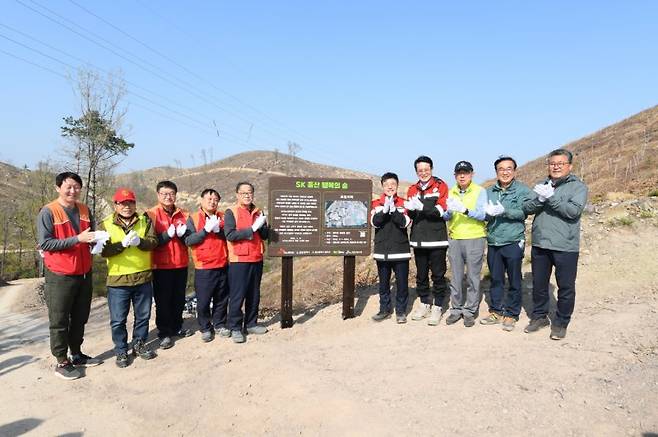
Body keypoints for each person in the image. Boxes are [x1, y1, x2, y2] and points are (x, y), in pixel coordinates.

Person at [37, 171, 102, 380]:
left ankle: (76, 353)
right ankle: (61, 361)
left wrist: (95, 241)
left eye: (76, 187)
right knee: (59, 319)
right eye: (68, 187)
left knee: (80, 317)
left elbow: (87, 235)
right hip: (60, 275)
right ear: (58, 188)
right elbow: (45, 243)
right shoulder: (48, 212)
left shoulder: (84, 209)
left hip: (84, 272)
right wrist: (78, 239)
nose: (73, 190)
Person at [523, 149, 588, 340]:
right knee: (539, 284)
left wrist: (551, 197)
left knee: (566, 287)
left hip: (565, 246)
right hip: (541, 243)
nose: (556, 166)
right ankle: (539, 317)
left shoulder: (578, 187)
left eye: (560, 163)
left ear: (569, 166)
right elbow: (526, 208)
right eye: (552, 163)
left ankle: (561, 322)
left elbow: (572, 212)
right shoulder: (542, 184)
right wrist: (540, 198)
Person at [100, 188, 158, 368]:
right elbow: (103, 251)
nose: (127, 207)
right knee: (118, 319)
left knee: (143, 316)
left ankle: (139, 344)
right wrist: (121, 245)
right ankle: (121, 350)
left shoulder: (144, 221)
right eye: (122, 203)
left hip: (143, 277)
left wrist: (140, 243)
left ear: (135, 203)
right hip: (118, 280)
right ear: (115, 205)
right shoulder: (106, 224)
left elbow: (153, 242)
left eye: (130, 203)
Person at [480, 156, 532, 332]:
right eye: (501, 169)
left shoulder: (523, 190)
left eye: (509, 168)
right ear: (496, 172)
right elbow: (485, 215)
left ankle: (511, 313)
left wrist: (505, 211)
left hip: (513, 240)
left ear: (514, 171)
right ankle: (496, 310)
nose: (505, 172)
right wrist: (485, 214)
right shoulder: (488, 191)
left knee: (514, 278)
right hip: (494, 240)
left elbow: (525, 212)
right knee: (496, 278)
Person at [405, 156, 450, 326]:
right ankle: (424, 303)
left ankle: (438, 306)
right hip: (418, 240)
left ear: (431, 169)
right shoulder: (411, 189)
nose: (423, 172)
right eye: (420, 170)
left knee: (438, 274)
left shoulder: (441, 186)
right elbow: (411, 214)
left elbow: (441, 210)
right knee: (421, 275)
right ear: (416, 171)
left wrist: (422, 207)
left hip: (437, 240)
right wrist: (409, 210)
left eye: (426, 169)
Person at [147, 181, 192, 349]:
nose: (168, 197)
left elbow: (188, 238)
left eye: (171, 194)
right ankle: (164, 331)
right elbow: (150, 242)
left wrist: (181, 236)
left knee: (179, 298)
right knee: (163, 300)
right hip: (161, 264)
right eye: (164, 194)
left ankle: (177, 326)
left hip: (180, 262)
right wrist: (166, 235)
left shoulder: (184, 214)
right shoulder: (151, 214)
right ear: (158, 195)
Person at [443, 161, 487, 327]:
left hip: (474, 237)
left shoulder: (479, 191)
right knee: (455, 276)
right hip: (455, 238)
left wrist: (466, 210)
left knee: (473, 277)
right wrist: (447, 212)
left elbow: (483, 215)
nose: (462, 176)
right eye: (459, 173)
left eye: (466, 172)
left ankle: (469, 311)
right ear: (455, 175)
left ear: (472, 174)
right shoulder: (451, 191)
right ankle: (456, 309)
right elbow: (447, 217)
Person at [224, 182, 269, 344]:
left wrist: (264, 225)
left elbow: (263, 235)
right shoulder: (231, 212)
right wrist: (251, 229)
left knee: (254, 293)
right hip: (239, 260)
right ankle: (235, 327)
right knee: (238, 295)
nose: (247, 195)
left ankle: (251, 323)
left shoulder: (258, 212)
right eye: (243, 193)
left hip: (256, 257)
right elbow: (230, 235)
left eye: (250, 192)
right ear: (237, 195)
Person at [184, 189, 230, 342]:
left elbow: (230, 237)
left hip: (223, 263)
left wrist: (218, 231)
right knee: (203, 300)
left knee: (222, 298)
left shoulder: (223, 217)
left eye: (215, 199)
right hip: (204, 266)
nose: (212, 201)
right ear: (202, 200)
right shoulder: (194, 218)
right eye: (209, 198)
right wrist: (205, 231)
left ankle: (219, 323)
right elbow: (189, 240)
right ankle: (205, 327)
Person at [370, 172, 412, 324]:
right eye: (387, 184)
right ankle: (384, 310)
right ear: (382, 186)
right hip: (382, 251)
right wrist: (385, 210)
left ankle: (401, 311)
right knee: (384, 283)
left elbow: (405, 223)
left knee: (401, 283)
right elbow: (374, 222)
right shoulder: (376, 203)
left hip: (400, 251)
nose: (390, 187)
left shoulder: (404, 203)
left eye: (393, 184)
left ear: (397, 186)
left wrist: (394, 210)